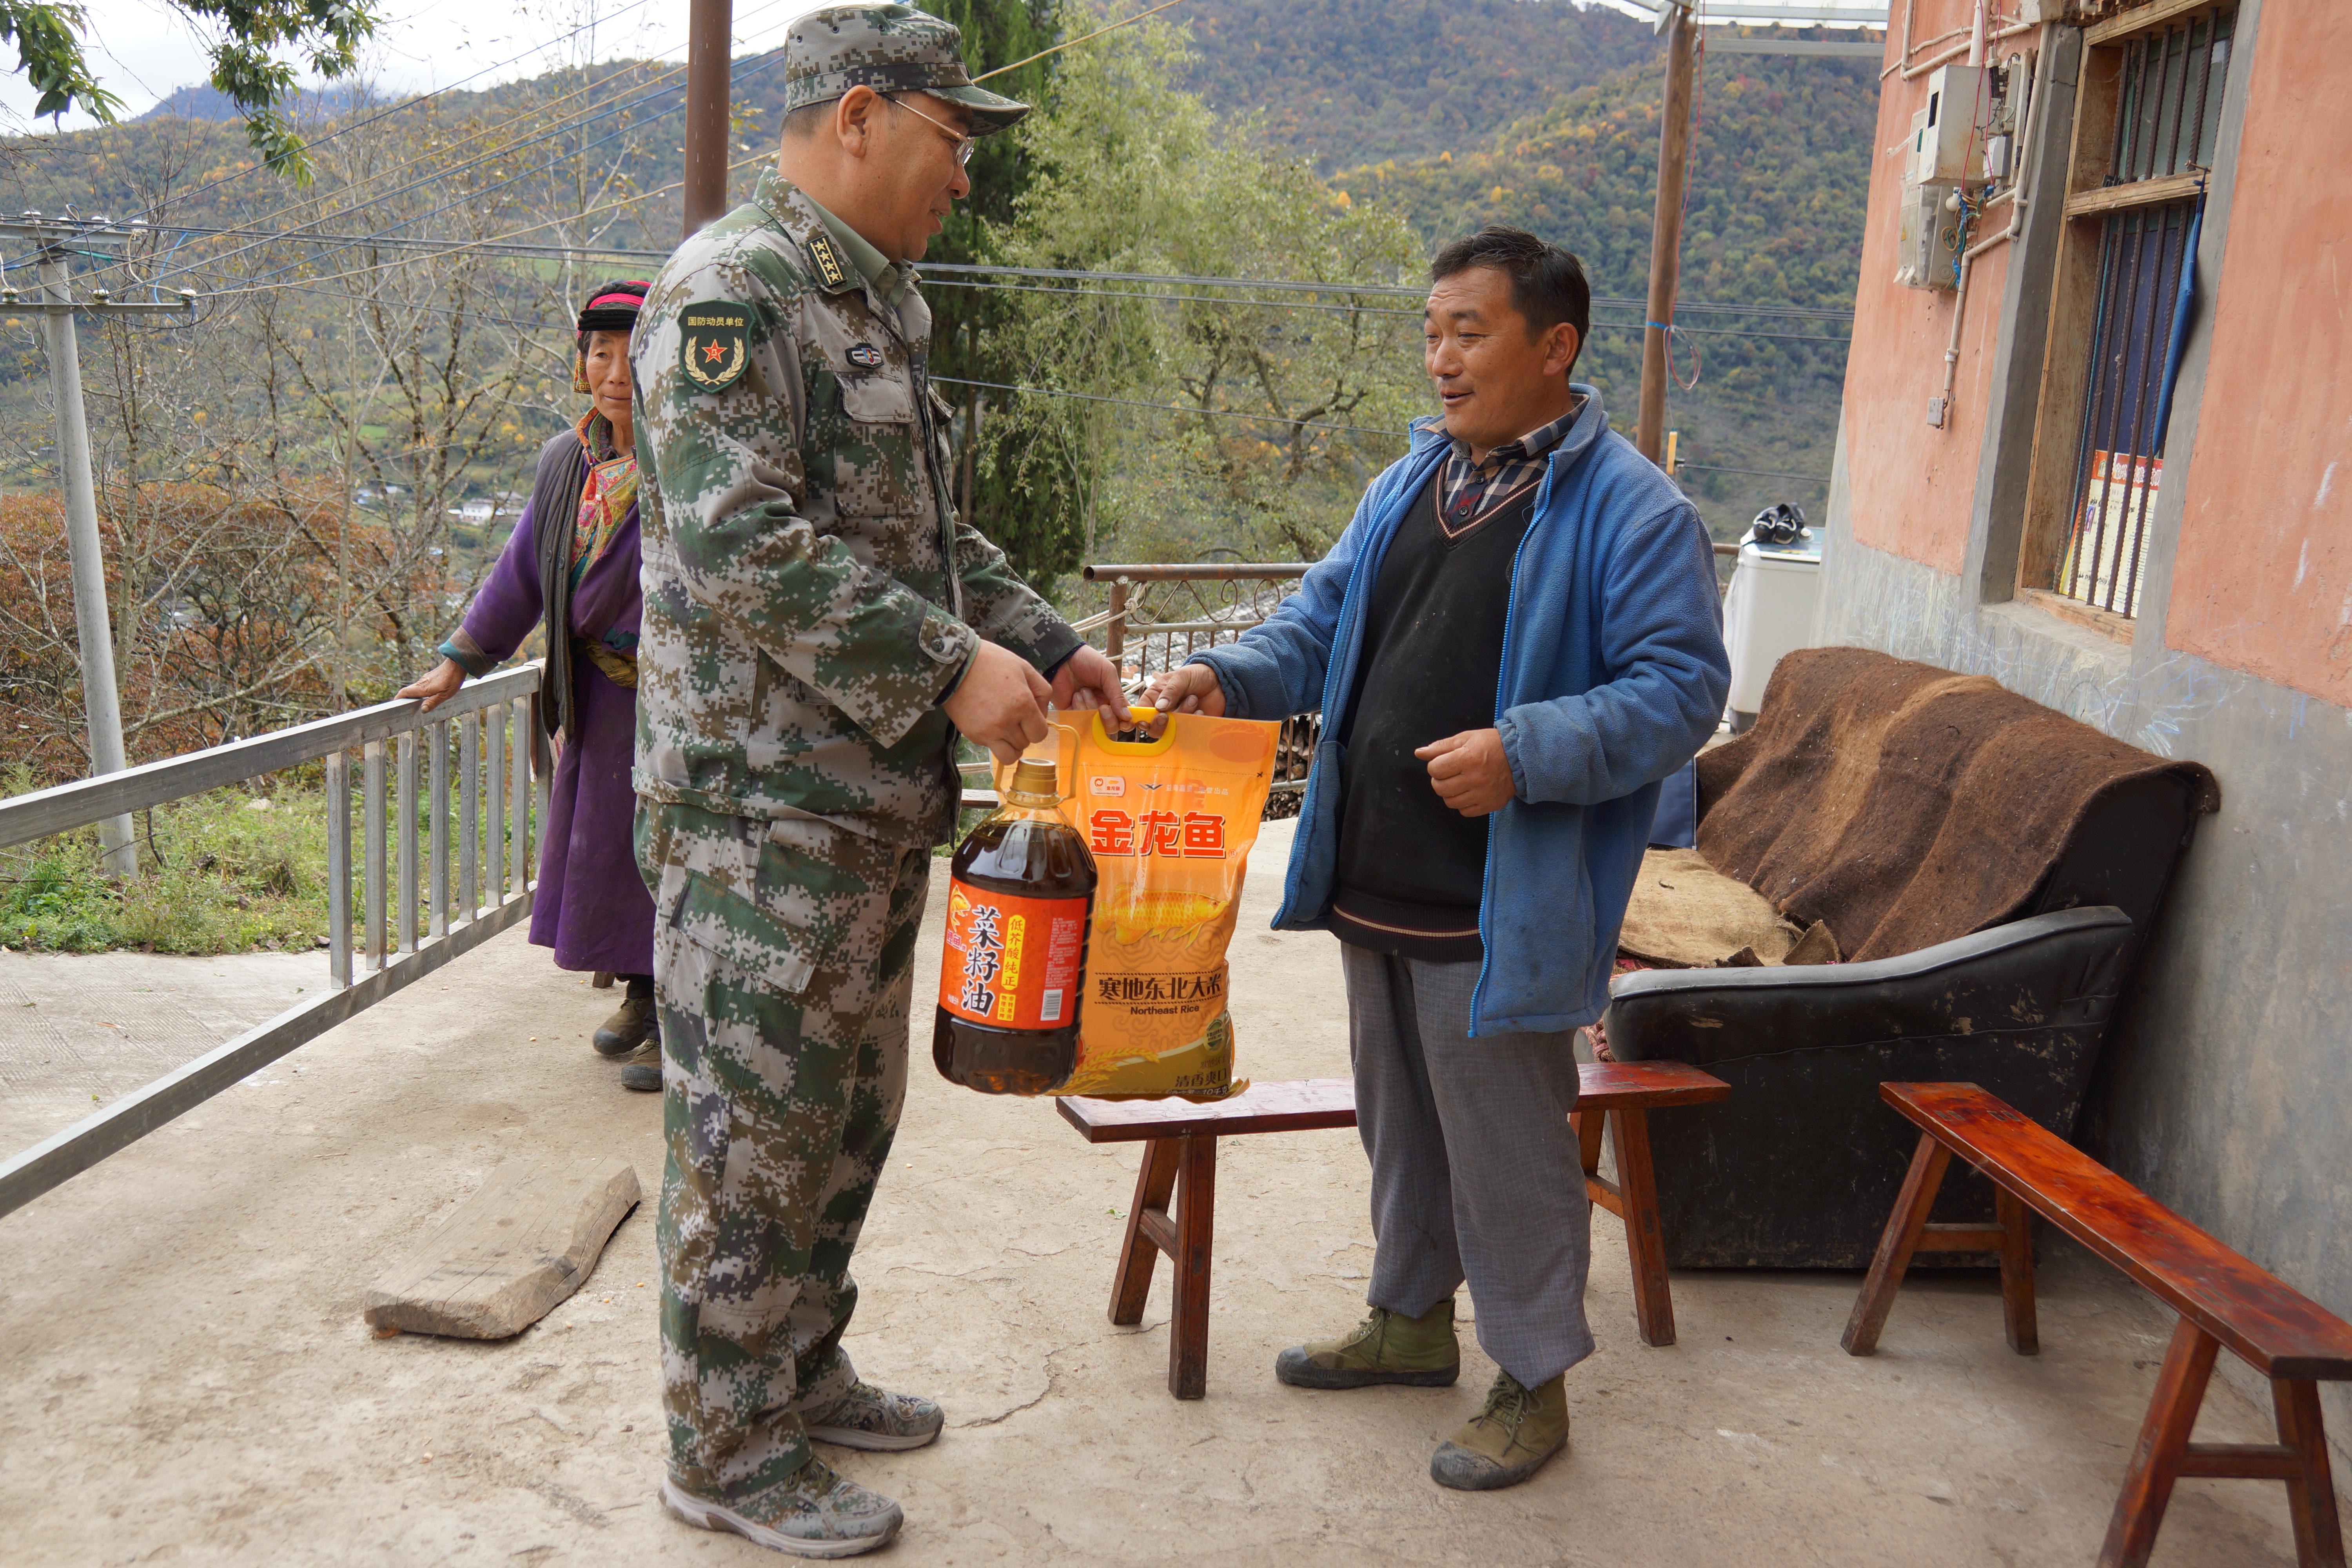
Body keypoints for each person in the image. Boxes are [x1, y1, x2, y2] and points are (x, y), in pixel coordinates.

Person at [627, 5, 1125, 1556]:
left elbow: (928, 541)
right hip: (755, 807)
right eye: (949, 138)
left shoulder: (879, 311)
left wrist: (1039, 639)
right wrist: (944, 670)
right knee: (750, 1143)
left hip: (860, 807)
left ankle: (799, 1365)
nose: (962, 174)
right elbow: (743, 546)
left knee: (844, 1122)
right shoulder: (735, 291)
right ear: (858, 117)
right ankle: (723, 1445)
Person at [1145, 227, 1730, 1492]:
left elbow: (1683, 692)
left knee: (1509, 1147)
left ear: (1555, 345)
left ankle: (1533, 1379)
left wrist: (1527, 752)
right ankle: (1411, 1321)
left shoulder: (1633, 509)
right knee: (1402, 1123)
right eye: (1431, 333)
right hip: (1375, 870)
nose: (1441, 359)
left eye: (1469, 332)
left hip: (1500, 902)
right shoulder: (1415, 478)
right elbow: (1320, 618)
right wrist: (1227, 675)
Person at [400, 280, 665, 1089]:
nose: (615, 371)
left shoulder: (685, 463)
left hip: (669, 707)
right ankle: (640, 995)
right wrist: (461, 657)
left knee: (664, 856)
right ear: (582, 361)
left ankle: (676, 1020)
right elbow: (522, 570)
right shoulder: (567, 461)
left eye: (634, 353)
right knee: (607, 859)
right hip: (592, 699)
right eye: (600, 351)